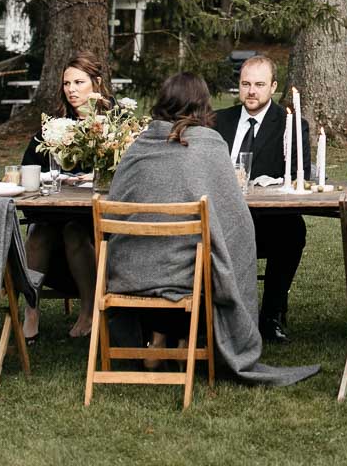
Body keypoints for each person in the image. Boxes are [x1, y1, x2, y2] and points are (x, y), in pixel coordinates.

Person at [103, 72, 319, 386]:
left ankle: (160, 339)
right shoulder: (208, 143)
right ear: (203, 104)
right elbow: (234, 219)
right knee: (213, 257)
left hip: (127, 272)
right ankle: (184, 339)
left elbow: (116, 203)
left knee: (178, 254)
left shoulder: (139, 145)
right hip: (182, 274)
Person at [210, 55, 307, 342]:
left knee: (293, 230)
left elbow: (296, 173)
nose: (251, 91)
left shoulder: (290, 124)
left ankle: (271, 315)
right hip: (220, 217)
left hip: (265, 219)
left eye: (259, 85)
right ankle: (210, 314)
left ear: (273, 87)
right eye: (245, 84)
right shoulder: (218, 121)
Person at [19, 51, 108, 341]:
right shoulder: (54, 125)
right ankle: (31, 310)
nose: (71, 89)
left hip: (95, 221)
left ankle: (88, 310)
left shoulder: (113, 123)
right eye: (67, 83)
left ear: (96, 83)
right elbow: (29, 168)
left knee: (73, 231)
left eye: (79, 82)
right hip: (54, 211)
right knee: (39, 232)